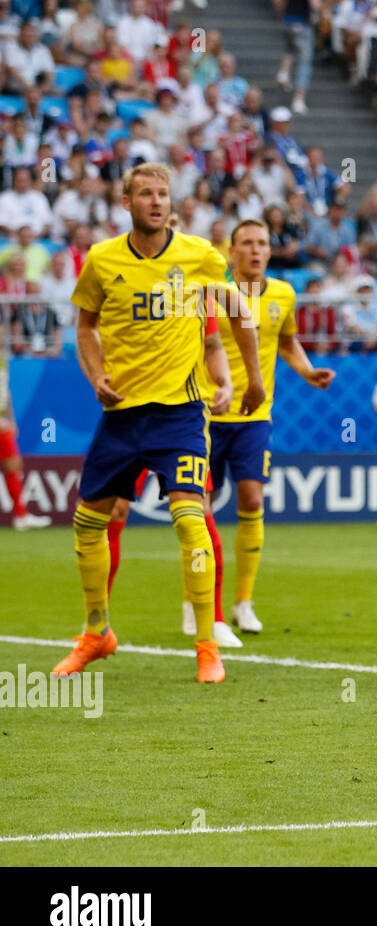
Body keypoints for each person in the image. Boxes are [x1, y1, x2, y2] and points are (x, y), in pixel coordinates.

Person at [56, 162, 266, 683]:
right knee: (87, 523)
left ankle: (205, 645)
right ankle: (97, 631)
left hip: (179, 414)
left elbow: (238, 312)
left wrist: (253, 380)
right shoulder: (103, 261)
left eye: (163, 194)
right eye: (145, 193)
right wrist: (96, 374)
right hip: (121, 415)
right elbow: (85, 326)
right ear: (126, 202)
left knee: (190, 520)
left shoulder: (198, 256)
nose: (156, 201)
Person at [194, 218, 335, 641]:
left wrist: (308, 371)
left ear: (270, 251)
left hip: (254, 416)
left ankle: (243, 602)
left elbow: (286, 340)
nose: (255, 250)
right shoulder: (213, 292)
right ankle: (198, 597)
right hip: (205, 415)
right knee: (198, 508)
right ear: (231, 251)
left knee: (252, 498)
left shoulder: (283, 293)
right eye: (247, 243)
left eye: (262, 243)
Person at [0, 324, 51, 529]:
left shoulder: (3, 356)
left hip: (3, 422)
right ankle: (20, 516)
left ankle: (20, 516)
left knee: (13, 464)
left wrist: (11, 418)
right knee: (13, 463)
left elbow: (5, 390)